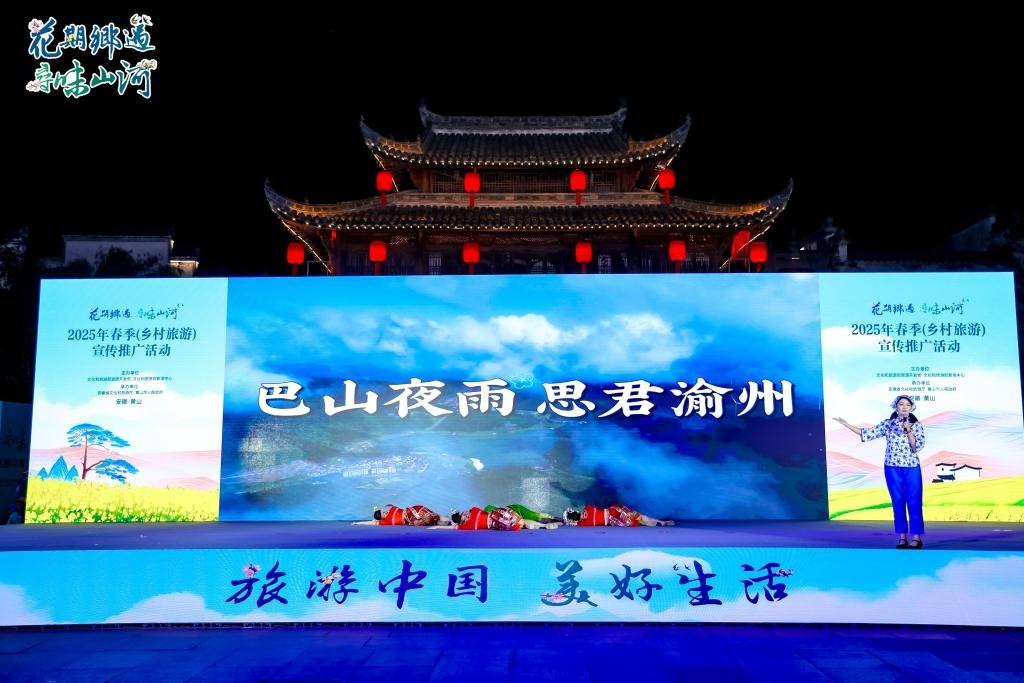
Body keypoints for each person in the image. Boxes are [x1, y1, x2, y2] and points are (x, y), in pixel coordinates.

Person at [834, 395, 926, 549]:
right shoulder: (888, 424)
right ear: (896, 407)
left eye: (907, 405)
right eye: (901, 404)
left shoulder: (917, 425)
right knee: (897, 501)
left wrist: (909, 430)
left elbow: (917, 446)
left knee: (914, 501)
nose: (904, 407)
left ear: (911, 408)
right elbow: (867, 433)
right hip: (891, 467)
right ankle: (902, 536)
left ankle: (916, 537)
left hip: (911, 467)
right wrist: (846, 424)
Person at [446, 505, 559, 530]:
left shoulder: (470, 525)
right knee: (522, 521)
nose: (464, 513)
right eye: (462, 514)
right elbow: (472, 509)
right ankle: (543, 525)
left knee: (521, 523)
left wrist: (439, 527)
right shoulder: (474, 512)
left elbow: (454, 527)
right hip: (499, 515)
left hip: (498, 523)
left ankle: (543, 525)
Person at [562, 503, 674, 527]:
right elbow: (568, 523)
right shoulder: (584, 522)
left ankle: (661, 522)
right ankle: (661, 522)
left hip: (615, 513)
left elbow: (568, 523)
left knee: (641, 519)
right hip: (615, 517)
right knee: (641, 519)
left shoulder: (587, 509)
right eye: (573, 513)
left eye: (573, 512)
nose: (575, 512)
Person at [352, 504, 449, 526]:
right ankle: (439, 522)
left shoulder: (391, 509)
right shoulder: (385, 522)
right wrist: (358, 523)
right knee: (427, 520)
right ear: (381, 517)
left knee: (431, 515)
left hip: (412, 511)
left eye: (383, 511)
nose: (384, 512)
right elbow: (372, 522)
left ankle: (449, 521)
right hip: (411, 520)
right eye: (382, 513)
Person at [483, 503, 561, 525]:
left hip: (517, 510)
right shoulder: (487, 511)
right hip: (512, 512)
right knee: (536, 517)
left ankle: (557, 519)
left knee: (536, 516)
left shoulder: (488, 511)